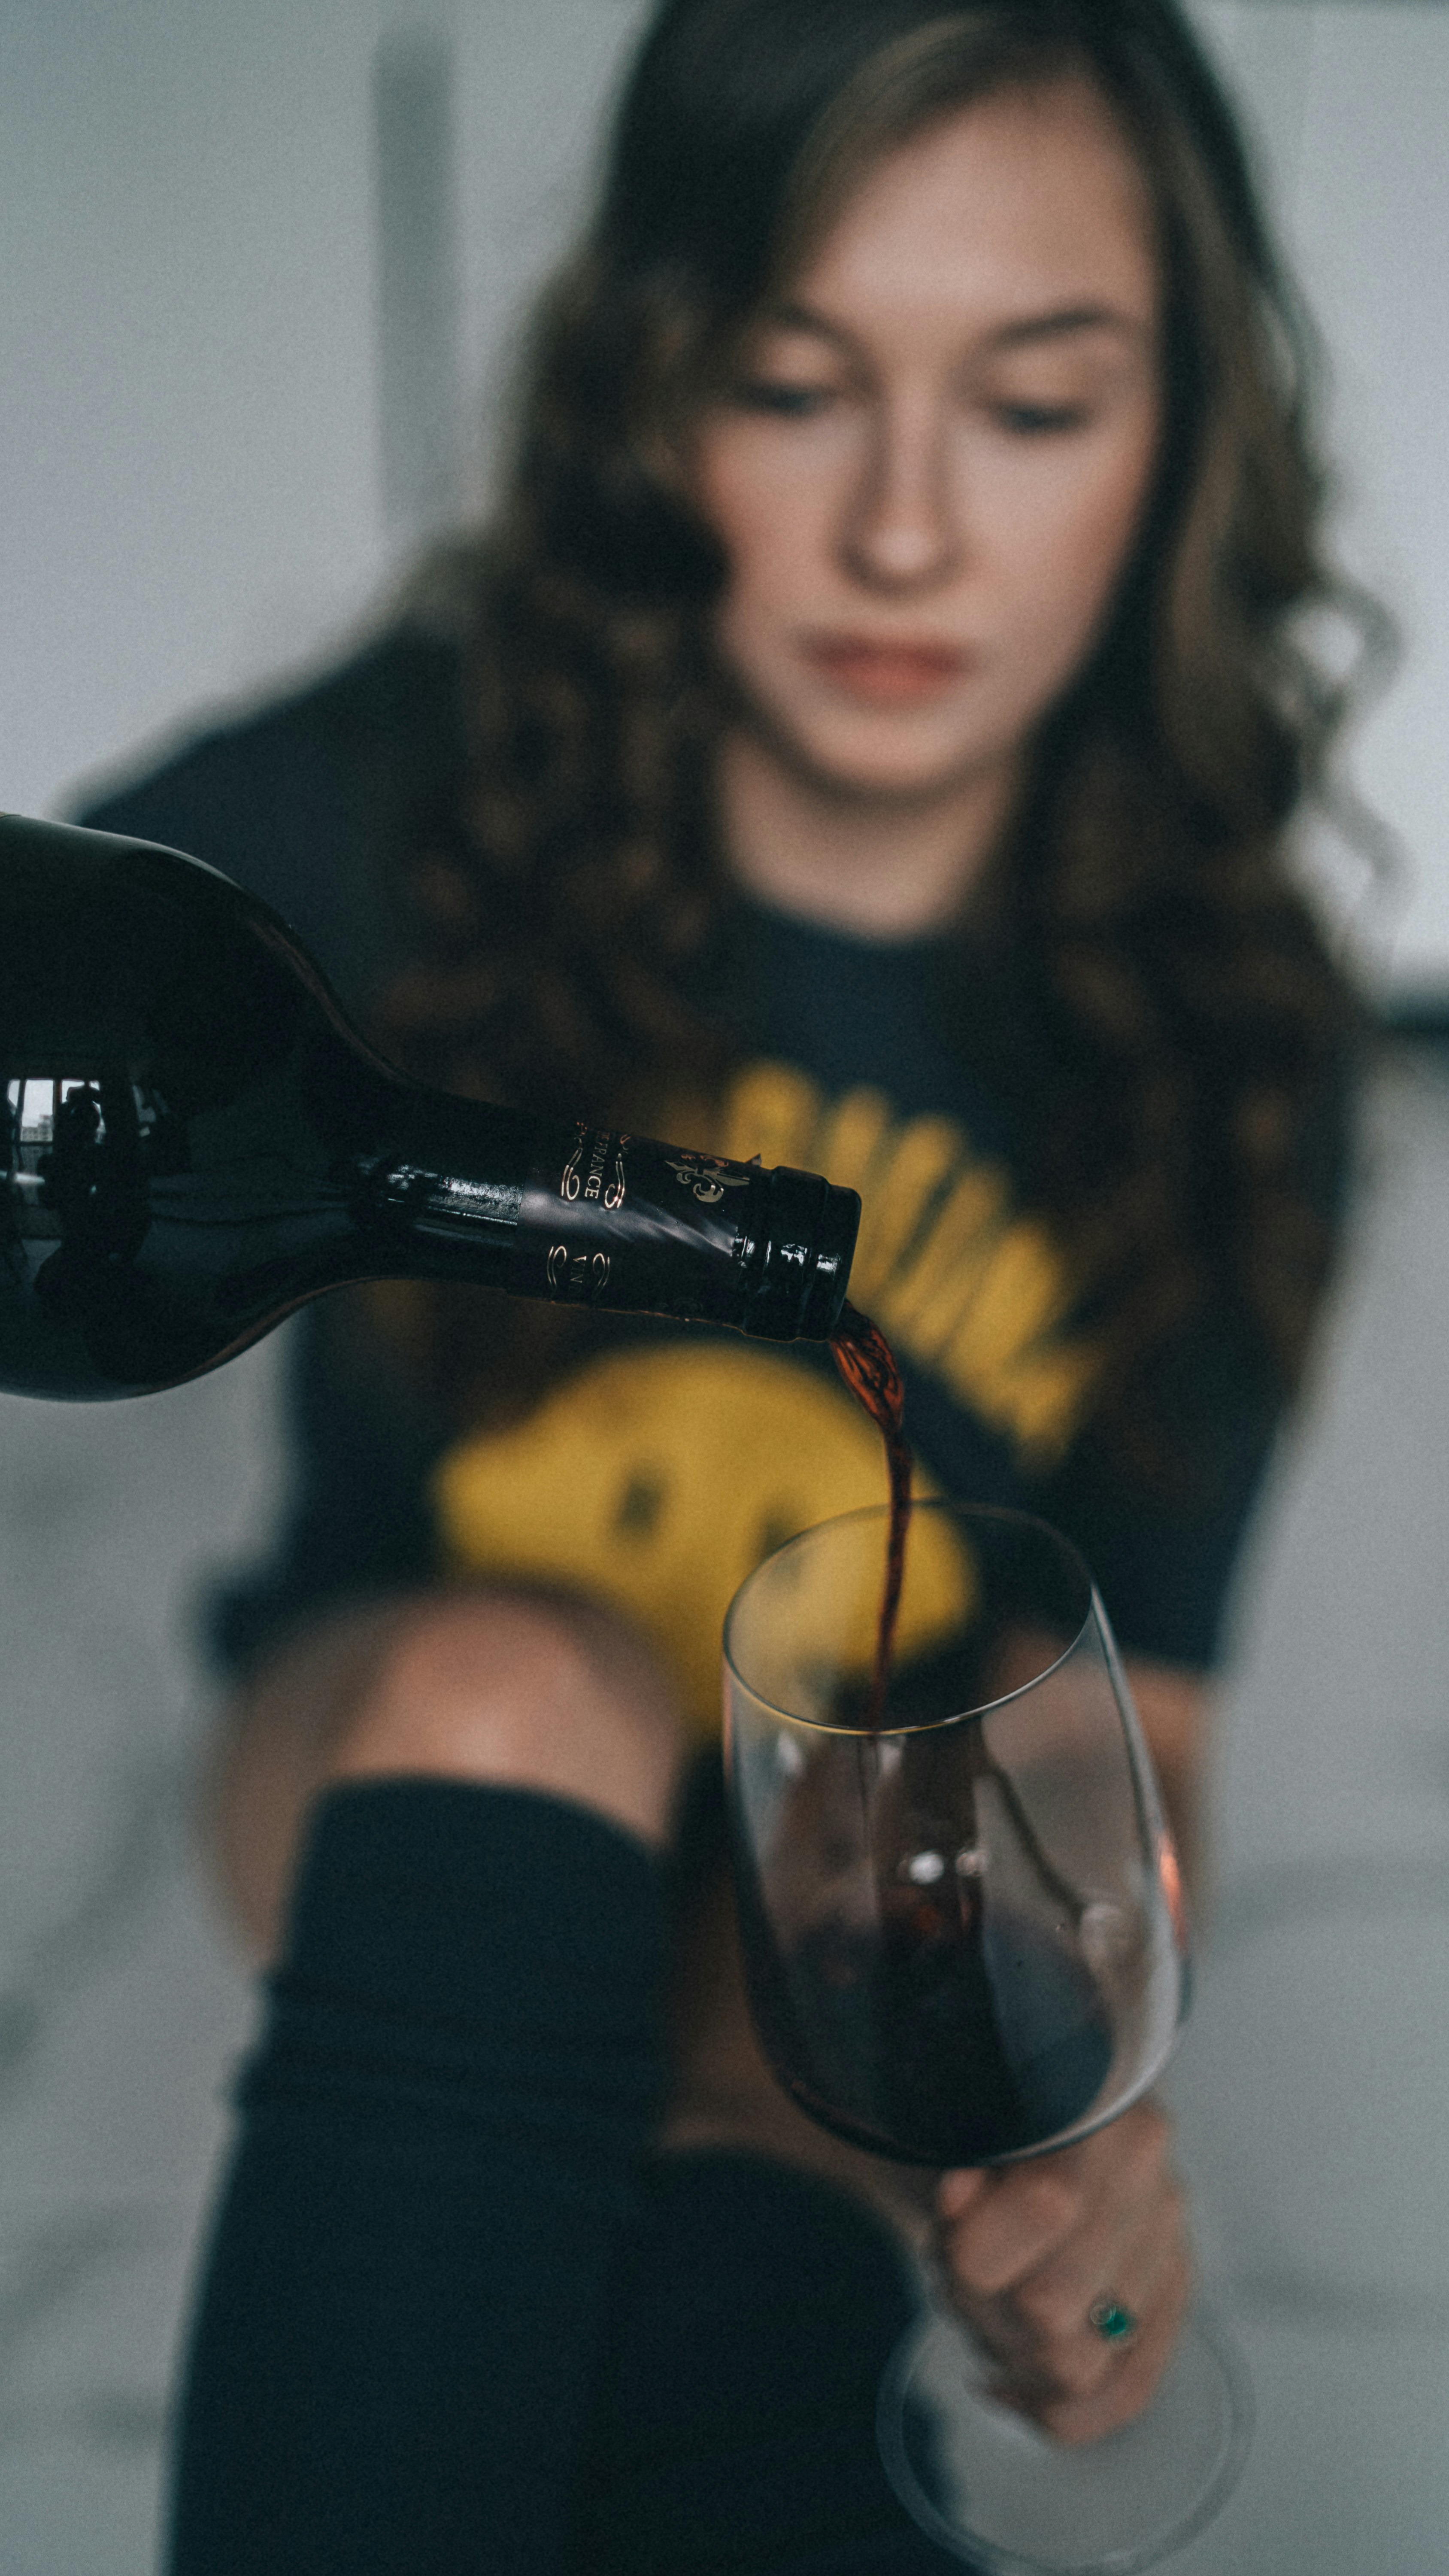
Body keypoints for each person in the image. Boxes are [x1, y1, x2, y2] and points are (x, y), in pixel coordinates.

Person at [79, 2, 1370, 2566]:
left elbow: (1136, 1731)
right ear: (657, 389)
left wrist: (1068, 2093)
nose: (906, 533)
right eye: (797, 386)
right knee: (520, 1672)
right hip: (417, 1758)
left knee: (869, 1894)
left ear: (1180, 438)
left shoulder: (1238, 1028)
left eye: (1034, 405)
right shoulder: (387, 805)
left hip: (838, 1906)